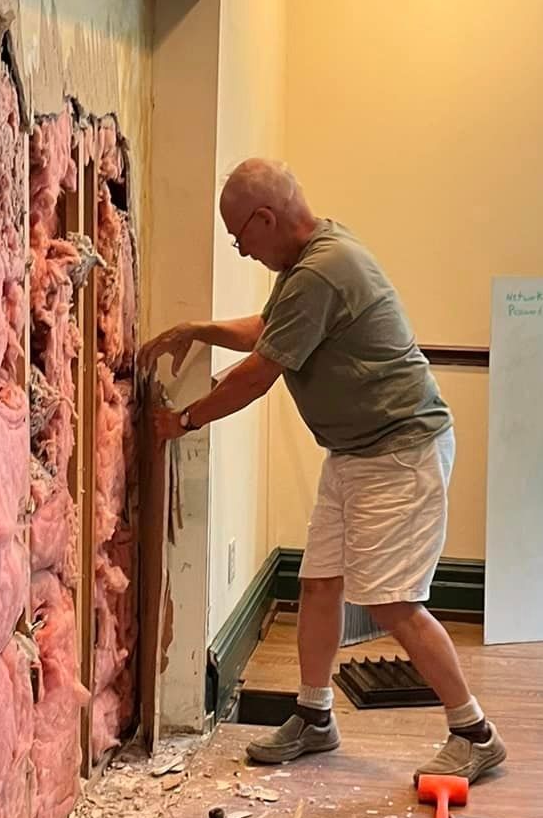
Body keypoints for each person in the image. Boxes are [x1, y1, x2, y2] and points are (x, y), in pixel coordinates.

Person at [139, 158, 506, 784]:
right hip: (355, 452)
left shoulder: (322, 268)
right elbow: (268, 329)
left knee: (393, 602)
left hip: (399, 452)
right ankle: (314, 716)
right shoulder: (309, 259)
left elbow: (259, 374)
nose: (243, 250)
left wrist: (185, 420)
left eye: (239, 237)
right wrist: (200, 330)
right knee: (318, 584)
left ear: (265, 218)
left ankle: (476, 734)